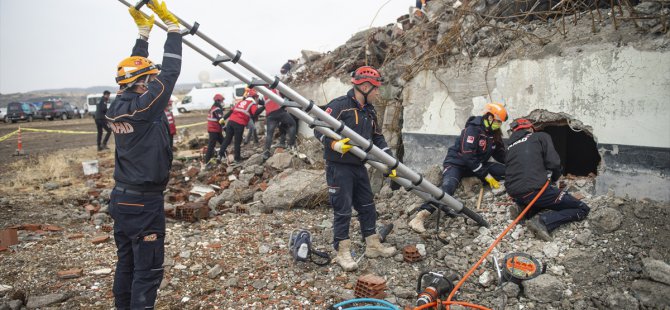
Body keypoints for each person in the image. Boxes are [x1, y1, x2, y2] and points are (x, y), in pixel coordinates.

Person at [104, 2, 181, 309]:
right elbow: (171, 71)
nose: (153, 82)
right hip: (142, 202)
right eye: (149, 79)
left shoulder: (118, 105)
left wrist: (143, 35)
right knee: (147, 271)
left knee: (127, 263)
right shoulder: (143, 110)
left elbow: (136, 71)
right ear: (141, 84)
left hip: (122, 199)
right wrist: (173, 30)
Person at [314, 66, 396, 271]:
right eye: (376, 88)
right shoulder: (340, 106)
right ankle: (342, 251)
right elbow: (317, 126)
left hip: (359, 166)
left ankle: (373, 244)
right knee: (343, 209)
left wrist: (389, 159)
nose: (378, 93)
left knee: (367, 205)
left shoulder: (369, 110)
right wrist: (334, 145)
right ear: (365, 86)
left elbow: (377, 136)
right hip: (339, 167)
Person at [409, 103, 508, 233]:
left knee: (505, 171)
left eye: (500, 123)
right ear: (489, 117)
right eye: (497, 121)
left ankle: (470, 179)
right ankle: (421, 216)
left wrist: (515, 161)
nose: (499, 125)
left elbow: (501, 154)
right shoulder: (472, 130)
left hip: (476, 166)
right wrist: (487, 176)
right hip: (457, 164)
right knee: (448, 187)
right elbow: (468, 156)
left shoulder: (493, 134)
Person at [505, 118, 590, 241]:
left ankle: (523, 209)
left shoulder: (509, 147)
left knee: (539, 200)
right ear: (530, 128)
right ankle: (543, 221)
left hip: (515, 194)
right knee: (582, 208)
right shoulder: (540, 136)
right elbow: (554, 163)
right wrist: (554, 179)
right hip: (535, 191)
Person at [218, 87, 260, 163]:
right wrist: (264, 107)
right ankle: (237, 159)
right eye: (256, 97)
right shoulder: (252, 103)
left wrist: (223, 118)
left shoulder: (240, 102)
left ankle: (220, 155)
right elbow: (255, 113)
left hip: (231, 121)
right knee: (237, 141)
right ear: (254, 97)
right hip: (239, 123)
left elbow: (231, 111)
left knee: (227, 139)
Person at [253, 88, 297, 160]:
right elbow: (288, 96)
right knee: (292, 124)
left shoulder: (265, 94)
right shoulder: (277, 89)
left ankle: (266, 153)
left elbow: (263, 104)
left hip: (270, 115)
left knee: (269, 134)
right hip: (279, 111)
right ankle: (291, 145)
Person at [204, 94, 226, 165]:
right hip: (214, 130)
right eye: (222, 101)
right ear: (218, 101)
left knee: (223, 143)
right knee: (211, 146)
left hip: (215, 129)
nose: (223, 102)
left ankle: (224, 157)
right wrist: (225, 128)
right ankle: (207, 162)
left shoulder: (214, 107)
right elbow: (220, 120)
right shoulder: (217, 109)